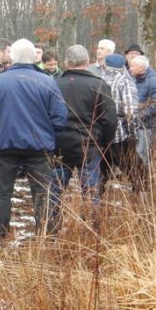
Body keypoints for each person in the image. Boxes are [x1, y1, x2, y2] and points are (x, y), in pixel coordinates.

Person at [0, 38, 68, 240]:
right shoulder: (46, 81)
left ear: (12, 57)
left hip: (5, 147)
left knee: (2, 193)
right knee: (42, 193)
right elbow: (60, 117)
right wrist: (50, 140)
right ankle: (47, 235)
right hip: (38, 147)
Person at [51, 44, 117, 228]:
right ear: (87, 63)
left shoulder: (54, 84)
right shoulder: (99, 85)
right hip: (89, 146)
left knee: (54, 192)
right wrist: (104, 143)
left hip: (59, 146)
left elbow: (43, 116)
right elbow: (110, 120)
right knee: (90, 192)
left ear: (66, 63)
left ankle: (50, 229)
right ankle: (92, 229)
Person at [99, 53, 139, 190]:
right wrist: (133, 133)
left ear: (106, 65)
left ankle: (94, 200)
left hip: (100, 134)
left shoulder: (99, 79)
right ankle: (141, 196)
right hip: (120, 134)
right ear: (123, 67)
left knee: (101, 171)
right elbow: (130, 111)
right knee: (134, 170)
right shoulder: (124, 81)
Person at [129, 54, 156, 176]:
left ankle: (143, 183)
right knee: (132, 155)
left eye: (133, 66)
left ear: (141, 68)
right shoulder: (133, 79)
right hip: (133, 125)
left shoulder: (153, 82)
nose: (130, 69)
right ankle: (135, 182)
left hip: (145, 126)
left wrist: (139, 116)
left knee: (142, 154)